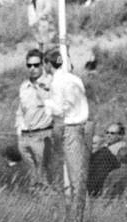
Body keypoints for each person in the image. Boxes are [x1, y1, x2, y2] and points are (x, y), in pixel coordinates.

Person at [44, 48, 89, 200]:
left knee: (74, 175)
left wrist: (46, 103)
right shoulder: (75, 79)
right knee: (75, 173)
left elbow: (58, 109)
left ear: (48, 64)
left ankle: (77, 213)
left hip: (68, 127)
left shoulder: (57, 83)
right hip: (78, 126)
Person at [16, 48, 55, 185]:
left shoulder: (51, 82)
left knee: (43, 169)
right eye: (29, 65)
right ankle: (35, 196)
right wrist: (19, 128)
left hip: (42, 133)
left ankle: (47, 195)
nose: (32, 68)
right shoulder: (24, 86)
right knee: (31, 171)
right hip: (25, 135)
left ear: (43, 64)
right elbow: (21, 110)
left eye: (36, 65)